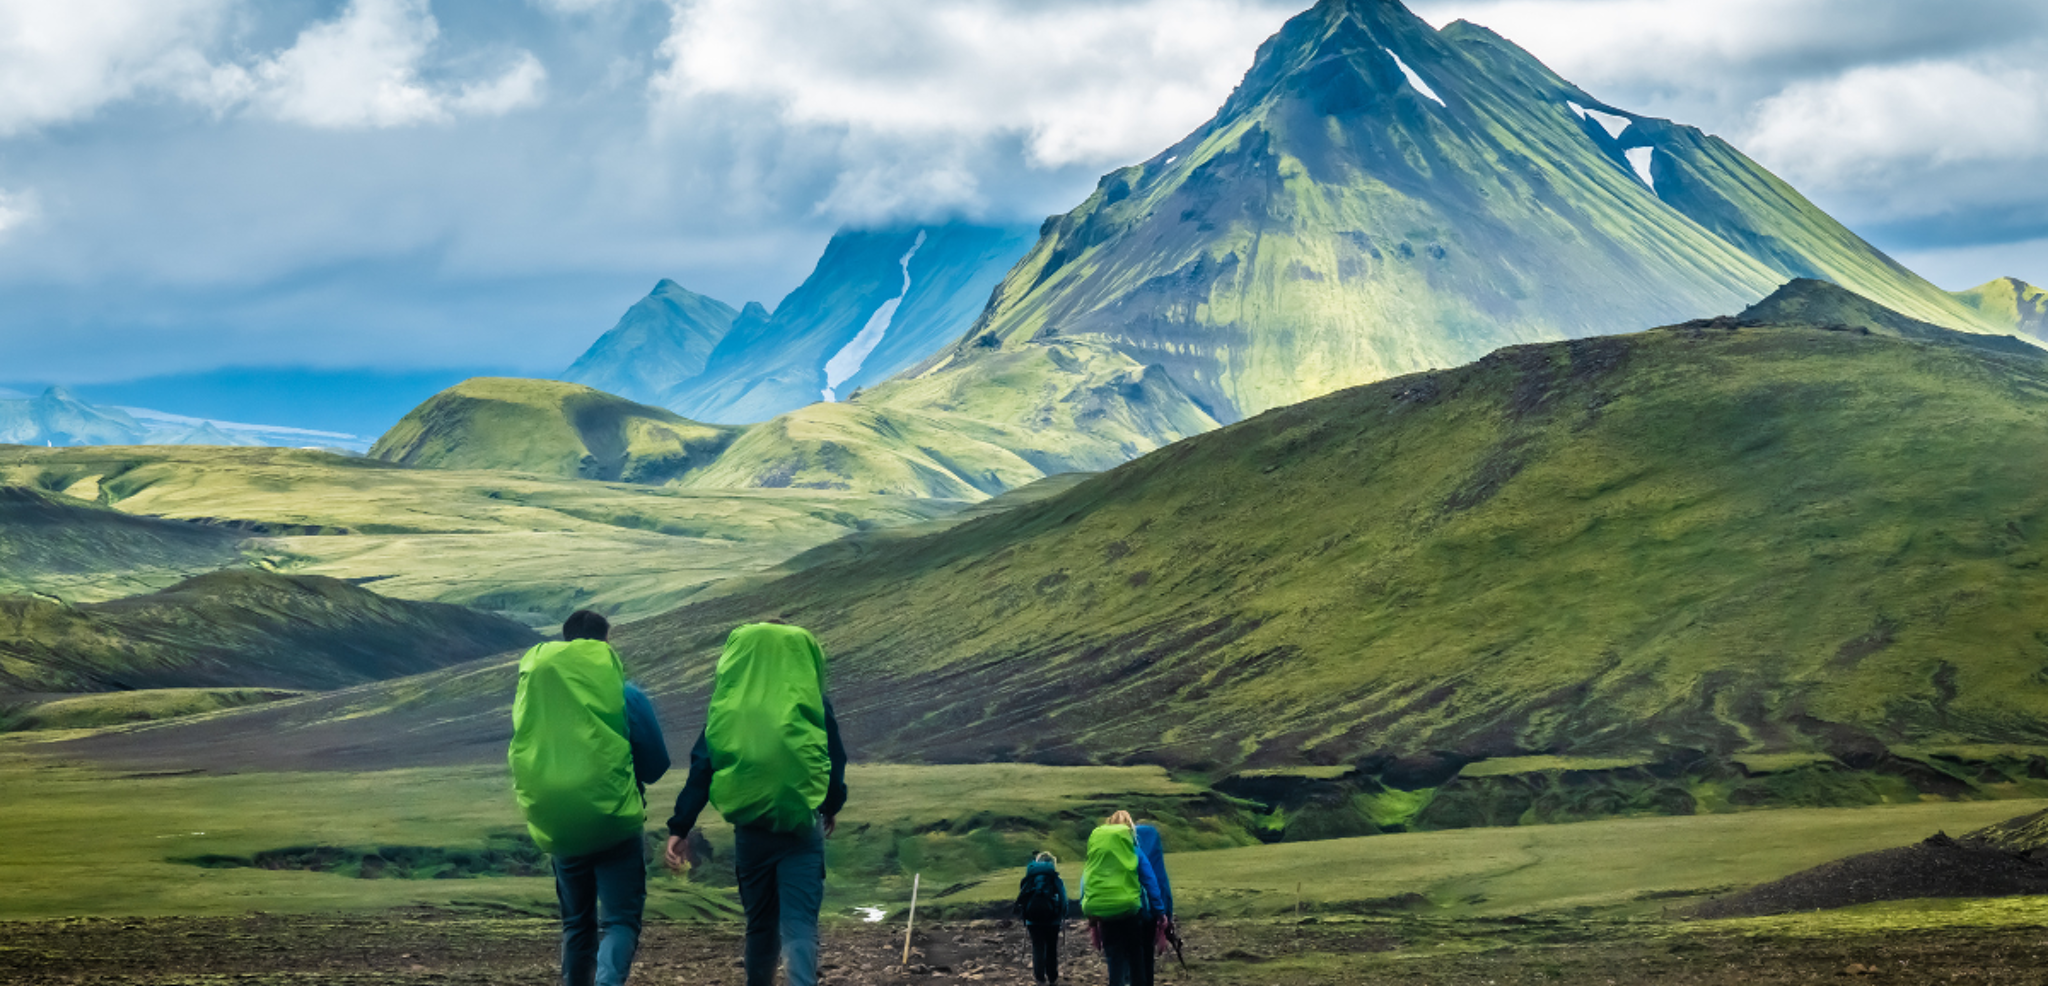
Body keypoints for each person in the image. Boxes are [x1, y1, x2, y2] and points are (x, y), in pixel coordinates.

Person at [663, 621, 848, 986]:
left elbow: (703, 764)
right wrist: (830, 805)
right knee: (799, 926)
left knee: (760, 927)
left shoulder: (729, 705)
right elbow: (833, 757)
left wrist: (680, 827)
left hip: (751, 833)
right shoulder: (811, 698)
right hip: (800, 828)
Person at [509, 609, 670, 986]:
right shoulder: (625, 694)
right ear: (605, 643)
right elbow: (656, 764)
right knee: (620, 922)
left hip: (559, 826)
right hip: (615, 823)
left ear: (566, 643)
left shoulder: (538, 698)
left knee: (576, 924)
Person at [1078, 810, 1162, 986]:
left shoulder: (1098, 853)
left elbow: (1085, 883)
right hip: (1130, 912)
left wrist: (1091, 919)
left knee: (1114, 961)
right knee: (1136, 959)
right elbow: (1150, 881)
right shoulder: (1134, 851)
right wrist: (1160, 912)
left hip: (1106, 916)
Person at [1013, 851, 1069, 985]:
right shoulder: (1055, 879)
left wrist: (1024, 917)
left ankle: (1039, 978)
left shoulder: (1029, 879)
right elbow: (1063, 899)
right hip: (1053, 919)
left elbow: (1022, 898)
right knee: (1051, 947)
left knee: (1038, 946)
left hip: (1033, 919)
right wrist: (1063, 914)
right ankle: (1052, 977)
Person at [1133, 823, 1174, 985]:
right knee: (1146, 955)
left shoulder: (1123, 854)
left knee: (1127, 956)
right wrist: (1165, 915)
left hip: (1124, 911)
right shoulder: (1153, 857)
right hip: (1149, 915)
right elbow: (1161, 884)